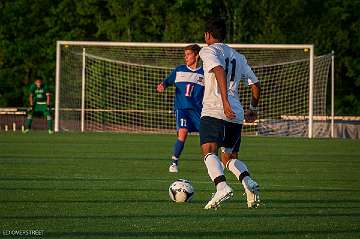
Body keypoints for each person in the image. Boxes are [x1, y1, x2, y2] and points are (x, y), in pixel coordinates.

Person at [199, 18, 261, 209]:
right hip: (237, 113)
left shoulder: (208, 50)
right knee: (228, 158)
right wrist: (253, 109)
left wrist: (224, 101)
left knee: (209, 151)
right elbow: (256, 84)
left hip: (215, 109)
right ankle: (248, 183)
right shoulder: (238, 56)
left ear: (207, 35)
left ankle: (221, 187)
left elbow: (218, 69)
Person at [157, 44, 204, 173]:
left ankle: (213, 161)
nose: (186, 57)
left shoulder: (205, 72)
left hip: (198, 110)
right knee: (182, 132)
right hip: (182, 108)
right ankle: (174, 162)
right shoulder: (179, 70)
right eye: (185, 55)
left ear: (197, 55)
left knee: (207, 137)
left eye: (188, 54)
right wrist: (163, 85)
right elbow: (167, 81)